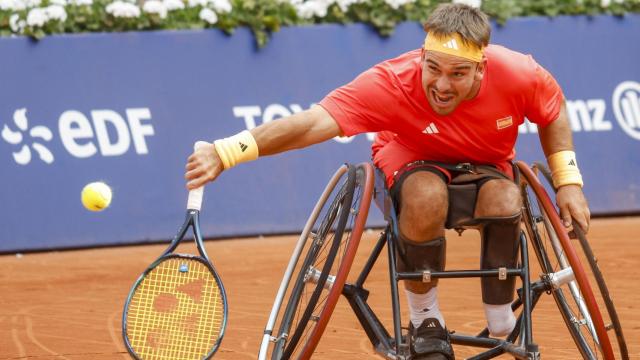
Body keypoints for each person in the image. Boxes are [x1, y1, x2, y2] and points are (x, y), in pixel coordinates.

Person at [185, 3, 590, 359]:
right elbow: (312, 124)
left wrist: (568, 181)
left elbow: (551, 111)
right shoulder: (392, 83)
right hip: (412, 159)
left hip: (485, 163)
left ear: (481, 67)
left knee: (506, 199)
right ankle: (425, 318)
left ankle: (502, 318)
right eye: (433, 68)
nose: (441, 85)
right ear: (421, 57)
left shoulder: (520, 74)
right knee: (427, 195)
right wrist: (226, 152)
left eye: (458, 73)